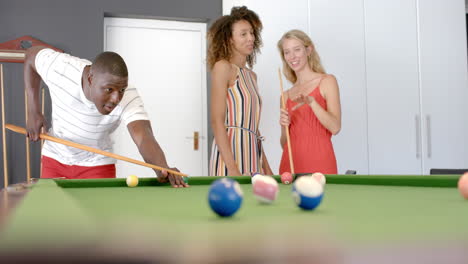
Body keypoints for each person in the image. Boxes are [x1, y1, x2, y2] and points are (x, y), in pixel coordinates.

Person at [24, 46, 187, 187]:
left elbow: (144, 136)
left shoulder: (129, 96)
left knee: (98, 223)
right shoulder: (62, 69)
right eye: (109, 89)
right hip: (55, 159)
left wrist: (162, 167)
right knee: (53, 220)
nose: (116, 98)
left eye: (121, 90)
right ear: (90, 79)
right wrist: (33, 111)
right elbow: (31, 55)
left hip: (97, 165)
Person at [208, 6, 273, 176]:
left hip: (252, 153)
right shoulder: (223, 67)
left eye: (252, 33)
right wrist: (234, 170)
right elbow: (217, 121)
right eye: (243, 34)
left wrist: (266, 167)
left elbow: (253, 127)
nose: (250, 38)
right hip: (229, 155)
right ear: (229, 39)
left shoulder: (252, 76)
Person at [277, 29, 341, 174]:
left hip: (320, 164)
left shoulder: (327, 81)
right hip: (290, 167)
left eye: (297, 50)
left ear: (308, 50)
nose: (292, 56)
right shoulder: (284, 96)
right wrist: (283, 126)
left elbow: (335, 127)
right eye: (287, 52)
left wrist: (312, 103)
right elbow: (284, 144)